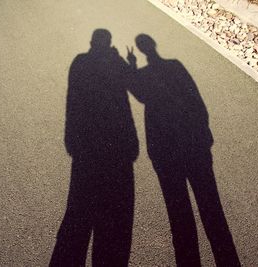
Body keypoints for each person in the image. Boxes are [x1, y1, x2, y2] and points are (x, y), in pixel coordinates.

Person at [127, 34, 240, 267]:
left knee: (179, 213)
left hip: (164, 151)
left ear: (141, 49)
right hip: (194, 146)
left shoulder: (146, 75)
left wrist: (132, 66)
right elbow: (197, 103)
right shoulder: (175, 66)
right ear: (154, 45)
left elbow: (140, 94)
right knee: (212, 208)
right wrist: (204, 136)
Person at [50, 29, 138, 267]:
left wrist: (71, 138)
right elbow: (134, 88)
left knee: (79, 208)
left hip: (85, 144)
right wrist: (129, 62)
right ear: (108, 43)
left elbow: (72, 100)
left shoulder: (79, 62)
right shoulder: (115, 62)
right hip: (115, 144)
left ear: (91, 43)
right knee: (110, 213)